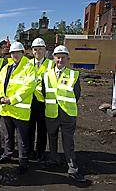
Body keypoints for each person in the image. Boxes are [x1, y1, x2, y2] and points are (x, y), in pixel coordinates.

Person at [43, 45, 85, 182]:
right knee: (52, 138)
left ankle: (72, 167)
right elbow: (45, 92)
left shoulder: (73, 74)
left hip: (67, 113)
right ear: (53, 58)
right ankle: (54, 159)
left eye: (63, 57)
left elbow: (77, 94)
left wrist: (66, 104)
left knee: (68, 141)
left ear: (68, 59)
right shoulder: (46, 74)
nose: (60, 60)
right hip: (51, 112)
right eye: (58, 57)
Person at [0, 42, 37, 175]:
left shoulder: (29, 67)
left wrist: (11, 100)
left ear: (23, 53)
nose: (15, 55)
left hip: (20, 110)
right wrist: (0, 97)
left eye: (18, 52)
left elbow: (28, 87)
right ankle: (8, 154)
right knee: (8, 136)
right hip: (6, 109)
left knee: (22, 138)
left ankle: (23, 161)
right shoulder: (6, 67)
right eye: (13, 53)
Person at [28, 38, 54, 162]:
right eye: (35, 49)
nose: (38, 51)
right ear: (32, 51)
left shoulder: (51, 64)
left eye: (40, 49)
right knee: (30, 128)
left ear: (45, 50)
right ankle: (29, 151)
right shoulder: (27, 64)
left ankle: (40, 152)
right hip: (29, 101)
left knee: (42, 129)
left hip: (44, 102)